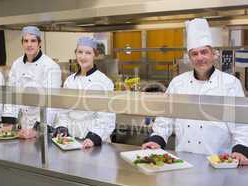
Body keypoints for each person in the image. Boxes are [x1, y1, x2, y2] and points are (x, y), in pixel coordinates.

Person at [142, 18, 248, 165]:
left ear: (213, 54)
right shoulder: (178, 83)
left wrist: (240, 150)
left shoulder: (230, 83)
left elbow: (241, 122)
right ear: (190, 58)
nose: (200, 58)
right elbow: (165, 117)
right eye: (194, 54)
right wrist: (156, 140)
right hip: (183, 160)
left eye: (204, 52)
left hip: (219, 161)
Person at [0, 26, 61, 139]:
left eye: (33, 41)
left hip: (43, 126)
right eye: (26, 41)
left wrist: (37, 129)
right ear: (22, 43)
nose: (29, 44)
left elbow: (52, 103)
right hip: (23, 126)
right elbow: (11, 95)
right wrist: (9, 122)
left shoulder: (51, 66)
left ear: (39, 43)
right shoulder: (17, 64)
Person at [53, 36, 116, 149]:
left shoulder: (104, 82)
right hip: (71, 141)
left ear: (94, 55)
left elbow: (107, 117)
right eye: (80, 52)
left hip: (95, 142)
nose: (83, 56)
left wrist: (93, 137)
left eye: (88, 53)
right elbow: (63, 110)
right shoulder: (69, 81)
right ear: (75, 53)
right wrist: (61, 127)